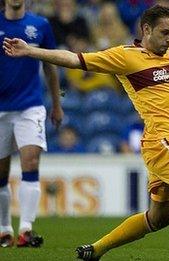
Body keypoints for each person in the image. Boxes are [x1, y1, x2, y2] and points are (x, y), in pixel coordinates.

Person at [3, 5, 169, 261]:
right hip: (162, 142)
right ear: (146, 29)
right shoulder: (125, 56)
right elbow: (74, 59)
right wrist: (31, 52)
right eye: (164, 33)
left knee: (158, 219)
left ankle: (97, 249)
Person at [0, 0, 63, 248]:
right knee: (1, 174)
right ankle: (4, 229)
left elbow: (51, 65)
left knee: (31, 161)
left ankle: (26, 229)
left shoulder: (40, 25)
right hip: (1, 109)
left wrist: (56, 104)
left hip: (30, 106)